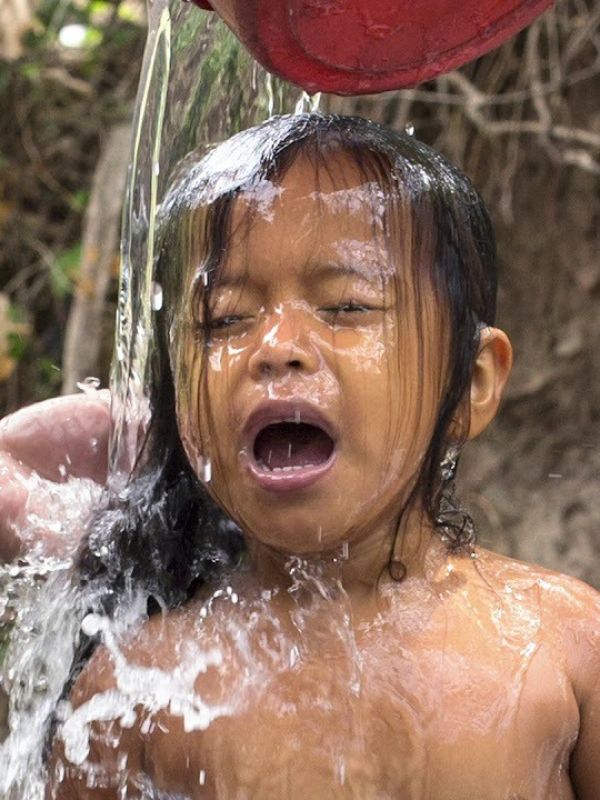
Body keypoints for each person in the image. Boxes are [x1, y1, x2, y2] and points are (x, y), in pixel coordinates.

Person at [4, 113, 599, 798]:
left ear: (470, 383)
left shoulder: (564, 646)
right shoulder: (141, 689)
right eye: (224, 319)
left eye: (347, 305)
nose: (275, 346)